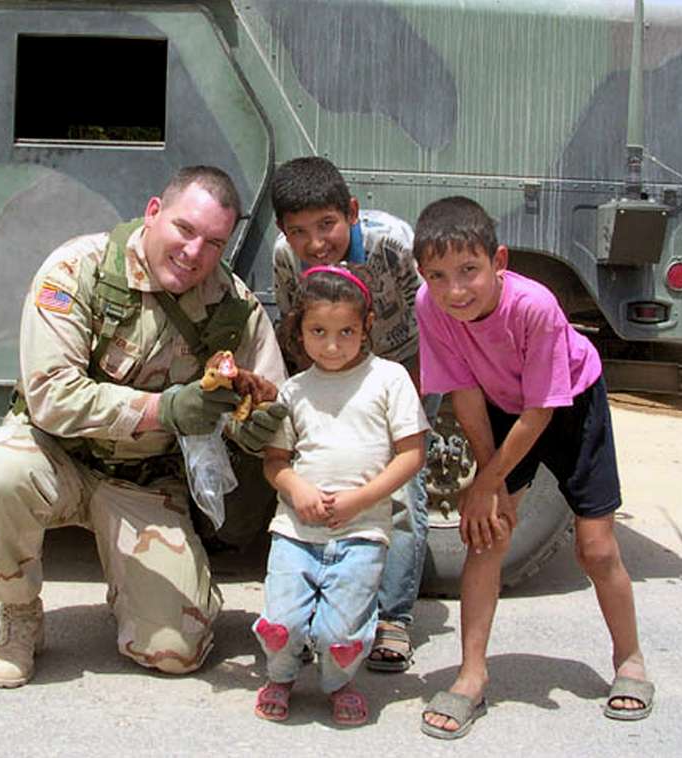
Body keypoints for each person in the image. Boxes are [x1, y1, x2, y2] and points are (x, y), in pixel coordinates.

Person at [0, 165, 288, 688]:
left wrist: (256, 431)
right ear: (154, 212)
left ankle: (140, 593)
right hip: (56, 457)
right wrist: (163, 411)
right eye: (185, 229)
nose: (194, 253)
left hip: (144, 480)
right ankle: (19, 613)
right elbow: (50, 396)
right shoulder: (78, 269)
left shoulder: (233, 308)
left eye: (213, 243)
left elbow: (273, 403)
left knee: (175, 652)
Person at [413, 196, 655, 739]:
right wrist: (483, 477)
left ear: (498, 260)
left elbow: (543, 408)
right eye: (438, 275)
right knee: (485, 538)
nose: (455, 290)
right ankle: (472, 674)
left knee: (596, 548)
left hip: (571, 402)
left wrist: (491, 481)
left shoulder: (535, 305)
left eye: (469, 271)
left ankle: (631, 661)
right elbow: (465, 393)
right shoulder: (431, 307)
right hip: (500, 404)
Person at [270, 156, 434, 672]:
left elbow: (430, 313)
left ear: (352, 213)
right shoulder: (284, 257)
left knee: (400, 490)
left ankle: (395, 620)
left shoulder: (394, 242)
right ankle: (329, 599)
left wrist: (415, 388)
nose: (316, 242)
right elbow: (297, 326)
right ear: (283, 231)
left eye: (327, 225)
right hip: (332, 375)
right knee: (332, 475)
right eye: (299, 231)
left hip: (403, 367)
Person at [253, 266, 429, 725]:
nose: (332, 345)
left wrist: (360, 499)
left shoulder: (389, 379)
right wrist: (296, 487)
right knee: (283, 624)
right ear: (299, 330)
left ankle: (338, 683)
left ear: (367, 325)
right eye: (318, 332)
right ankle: (281, 677)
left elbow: (411, 455)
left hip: (363, 533)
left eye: (346, 331)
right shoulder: (294, 390)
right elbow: (275, 461)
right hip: (295, 531)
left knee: (339, 632)